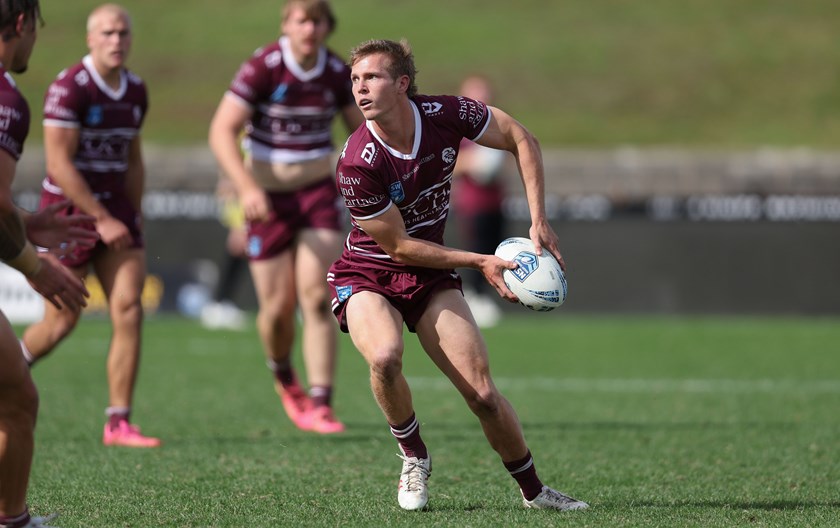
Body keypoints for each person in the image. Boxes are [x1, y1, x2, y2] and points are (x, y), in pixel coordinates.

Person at [328, 39, 588, 511]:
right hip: (369, 272)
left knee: (484, 395)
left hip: (429, 276)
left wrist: (538, 219)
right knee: (385, 356)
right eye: (355, 80)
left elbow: (519, 138)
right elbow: (399, 247)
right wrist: (481, 261)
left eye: (372, 78)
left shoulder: (446, 113)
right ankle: (413, 454)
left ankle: (536, 493)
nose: (359, 89)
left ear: (402, 83)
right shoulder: (356, 160)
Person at [209, 0, 364, 434]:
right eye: (302, 20)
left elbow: (363, 128)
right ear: (287, 24)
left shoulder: (336, 72)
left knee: (316, 296)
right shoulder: (265, 66)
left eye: (317, 21)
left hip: (316, 195)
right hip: (267, 200)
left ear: (327, 27)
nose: (309, 29)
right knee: (277, 310)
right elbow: (221, 130)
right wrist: (247, 187)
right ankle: (284, 377)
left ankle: (321, 401)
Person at [19, 3, 161, 448]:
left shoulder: (136, 89)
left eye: (122, 33)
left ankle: (118, 422)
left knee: (128, 308)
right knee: (61, 323)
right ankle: (12, 369)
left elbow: (134, 160)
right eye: (107, 33)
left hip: (116, 216)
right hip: (69, 217)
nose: (116, 40)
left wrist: (130, 217)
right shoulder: (70, 87)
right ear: (90, 39)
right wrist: (99, 218)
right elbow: (59, 163)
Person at [0, 1, 95, 526]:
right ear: (21, 25)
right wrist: (32, 265)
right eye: (36, 26)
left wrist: (27, 221)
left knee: (13, 391)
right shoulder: (6, 99)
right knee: (16, 401)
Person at [452, 74, 506, 328]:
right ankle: (473, 298)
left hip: (496, 202)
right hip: (473, 205)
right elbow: (450, 162)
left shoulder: (496, 126)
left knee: (496, 249)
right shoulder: (459, 131)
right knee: (477, 251)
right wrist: (473, 163)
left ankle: (487, 298)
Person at [200, 173, 249, 331]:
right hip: (242, 200)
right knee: (237, 247)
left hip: (249, 196)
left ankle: (221, 301)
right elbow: (228, 181)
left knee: (242, 250)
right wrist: (237, 223)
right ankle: (219, 303)